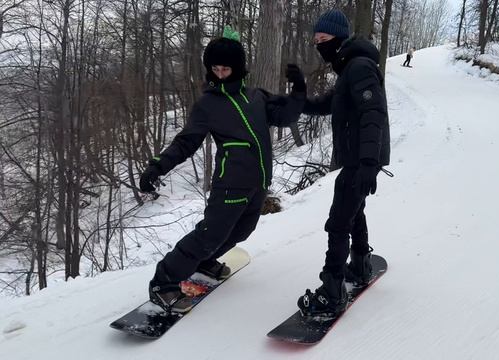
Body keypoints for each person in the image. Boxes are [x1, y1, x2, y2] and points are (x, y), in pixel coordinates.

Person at [139, 27, 306, 313]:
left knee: (243, 230)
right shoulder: (208, 105)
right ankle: (163, 282)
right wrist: (157, 166)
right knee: (210, 235)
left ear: (238, 68)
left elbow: (286, 116)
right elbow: (186, 142)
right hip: (230, 184)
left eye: (225, 68)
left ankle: (204, 262)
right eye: (214, 68)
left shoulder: (256, 97)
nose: (219, 73)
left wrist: (298, 91)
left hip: (257, 181)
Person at [296, 9, 390, 317]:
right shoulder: (349, 68)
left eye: (322, 39)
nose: (319, 46)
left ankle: (332, 290)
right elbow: (328, 104)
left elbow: (373, 113)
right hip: (355, 160)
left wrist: (367, 163)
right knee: (354, 208)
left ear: (337, 38)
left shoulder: (359, 67)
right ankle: (360, 263)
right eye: (316, 41)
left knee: (338, 221)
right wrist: (297, 101)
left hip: (359, 160)